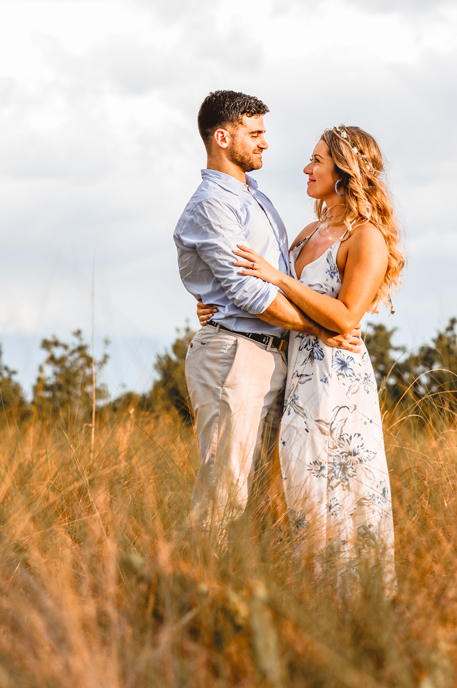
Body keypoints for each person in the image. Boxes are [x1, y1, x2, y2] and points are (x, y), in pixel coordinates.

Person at [198, 124, 404, 582]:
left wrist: (279, 278)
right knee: (299, 483)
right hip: (296, 371)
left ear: (345, 172)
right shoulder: (311, 229)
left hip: (336, 376)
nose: (307, 168)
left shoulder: (365, 236)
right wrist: (219, 307)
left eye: (317, 161)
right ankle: (307, 589)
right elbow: (272, 297)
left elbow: (346, 317)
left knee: (340, 484)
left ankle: (354, 596)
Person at [173, 90, 361, 531]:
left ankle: (240, 589)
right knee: (224, 494)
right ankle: (184, 593)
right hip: (235, 356)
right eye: (254, 133)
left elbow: (270, 279)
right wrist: (320, 329)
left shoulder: (253, 198)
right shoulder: (213, 204)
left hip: (267, 355)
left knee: (261, 500)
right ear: (222, 137)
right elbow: (249, 293)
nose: (265, 143)